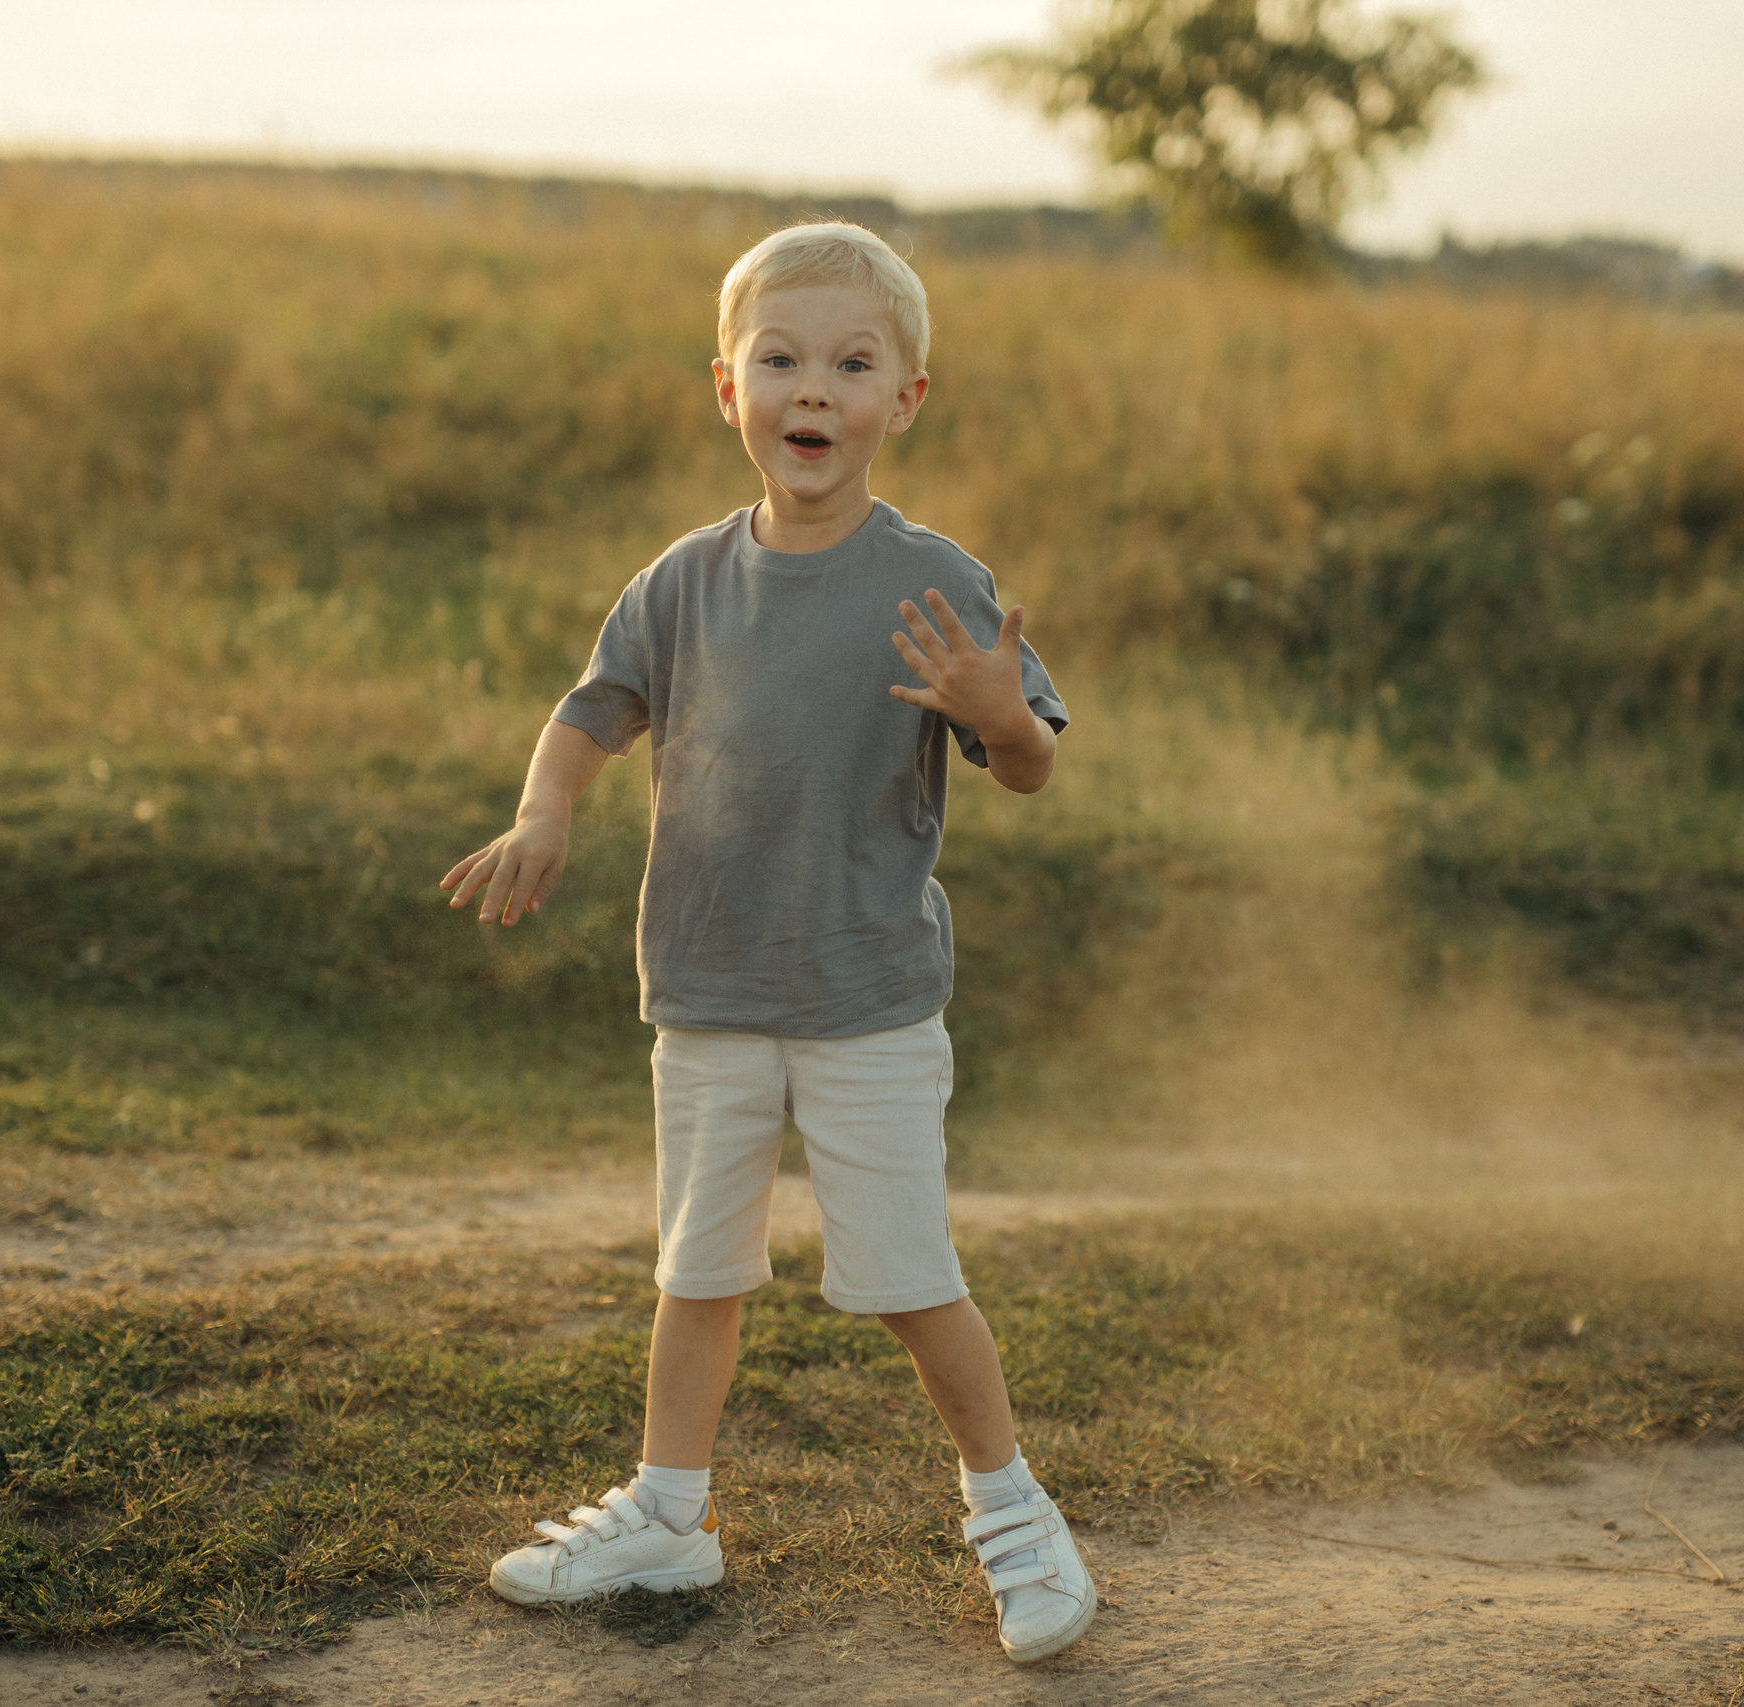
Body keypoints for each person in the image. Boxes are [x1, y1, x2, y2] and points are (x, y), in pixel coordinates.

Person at [438, 222, 1091, 1665]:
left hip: (864, 1000)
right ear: (727, 390)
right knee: (699, 1277)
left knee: (911, 1282)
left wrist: (995, 710)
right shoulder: (683, 580)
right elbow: (598, 705)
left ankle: (1015, 1514)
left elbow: (1032, 762)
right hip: (711, 992)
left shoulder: (934, 582)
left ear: (906, 397)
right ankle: (670, 1518)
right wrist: (547, 812)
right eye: (781, 359)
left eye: (854, 363)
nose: (816, 389)